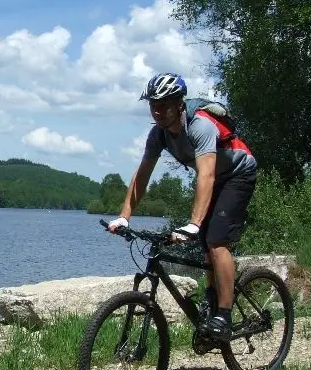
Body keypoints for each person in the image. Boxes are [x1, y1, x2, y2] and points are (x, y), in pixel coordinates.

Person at [107, 72, 257, 343]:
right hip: (214, 178)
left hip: (238, 173)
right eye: (153, 105)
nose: (157, 111)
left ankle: (224, 315)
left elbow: (206, 176)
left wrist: (193, 224)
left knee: (216, 241)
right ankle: (212, 297)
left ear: (179, 104)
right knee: (205, 243)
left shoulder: (200, 126)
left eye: (164, 105)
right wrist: (124, 217)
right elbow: (142, 176)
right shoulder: (158, 135)